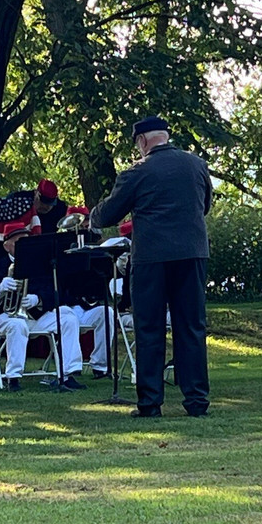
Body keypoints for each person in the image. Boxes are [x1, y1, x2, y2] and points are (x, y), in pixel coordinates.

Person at [91, 115, 213, 418]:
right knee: (191, 326)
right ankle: (196, 400)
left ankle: (150, 403)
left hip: (152, 258)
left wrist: (91, 216)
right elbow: (206, 205)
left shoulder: (138, 171)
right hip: (192, 253)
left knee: (149, 328)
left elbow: (109, 215)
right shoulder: (196, 164)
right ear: (165, 136)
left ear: (142, 141)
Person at [0, 221, 86, 391]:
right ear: (6, 246)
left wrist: (38, 298)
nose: (23, 247)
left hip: (35, 316)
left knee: (67, 317)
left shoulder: (40, 266)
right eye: (18, 242)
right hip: (4, 317)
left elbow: (55, 292)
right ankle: (12, 378)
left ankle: (67, 374)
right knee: (17, 324)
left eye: (26, 242)